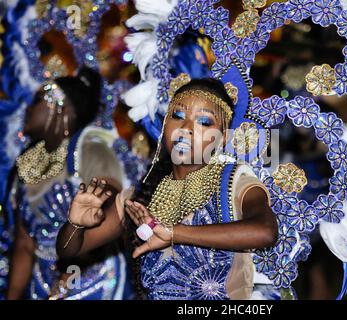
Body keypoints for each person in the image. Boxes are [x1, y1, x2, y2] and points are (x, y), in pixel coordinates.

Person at [56, 76, 279, 300]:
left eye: (204, 122)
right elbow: (69, 250)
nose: (186, 128)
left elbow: (265, 231)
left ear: (222, 139)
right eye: (178, 116)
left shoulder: (234, 182)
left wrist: (174, 234)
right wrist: (75, 225)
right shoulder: (139, 197)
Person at [6, 67, 132, 300]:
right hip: (41, 281)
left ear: (60, 107)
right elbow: (24, 244)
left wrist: (71, 273)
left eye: (37, 100)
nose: (29, 108)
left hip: (94, 278)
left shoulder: (90, 150)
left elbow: (110, 210)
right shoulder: (25, 166)